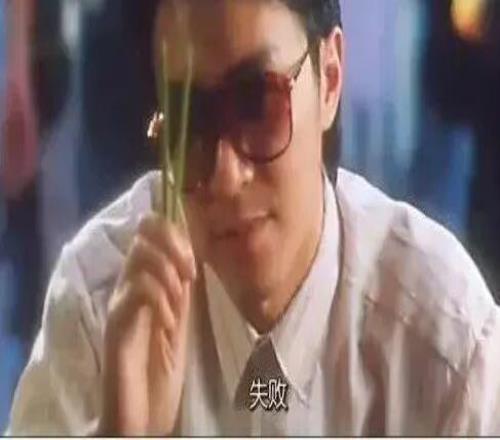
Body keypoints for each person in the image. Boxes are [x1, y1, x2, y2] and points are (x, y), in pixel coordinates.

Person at [6, 0, 500, 436]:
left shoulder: (444, 343)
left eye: (257, 103)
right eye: (191, 122)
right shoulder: (104, 306)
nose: (225, 176)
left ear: (330, 79)